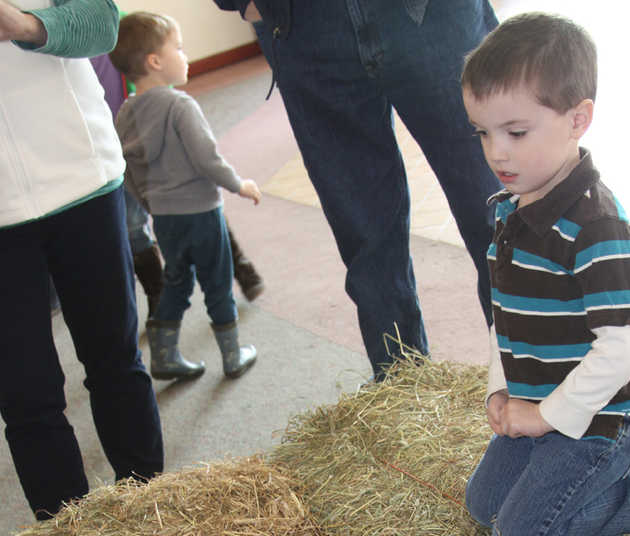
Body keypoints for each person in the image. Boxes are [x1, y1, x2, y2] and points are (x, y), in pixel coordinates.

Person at [460, 12, 630, 536]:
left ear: (578, 120)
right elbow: (504, 314)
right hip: (543, 395)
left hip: (608, 416)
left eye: (516, 132)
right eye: (483, 132)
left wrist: (545, 417)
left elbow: (625, 348)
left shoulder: (599, 228)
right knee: (481, 507)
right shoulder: (510, 210)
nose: (496, 152)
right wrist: (501, 390)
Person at [213, 0, 500, 381]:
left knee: (497, 206)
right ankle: (403, 395)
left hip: (433, 14)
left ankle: (537, 380)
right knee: (365, 236)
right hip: (305, 25)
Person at [0, 0, 164, 522]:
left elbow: (101, 20)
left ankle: (151, 517)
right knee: (26, 396)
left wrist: (25, 25)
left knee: (115, 360)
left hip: (81, 179)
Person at [110, 12, 261, 381]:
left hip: (164, 218)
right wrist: (238, 183)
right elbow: (207, 158)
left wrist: (150, 206)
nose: (185, 55)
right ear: (155, 62)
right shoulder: (180, 106)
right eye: (178, 48)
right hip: (202, 212)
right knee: (218, 282)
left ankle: (164, 356)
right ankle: (232, 356)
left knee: (177, 281)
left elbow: (128, 171)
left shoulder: (125, 113)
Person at [91, 51, 265, 320]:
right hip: (112, 142)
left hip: (150, 121)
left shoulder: (121, 28)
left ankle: (240, 266)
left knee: (196, 192)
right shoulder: (62, 43)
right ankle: (157, 294)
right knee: (137, 225)